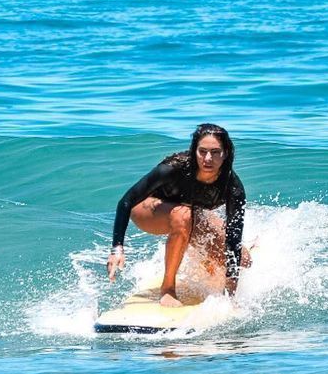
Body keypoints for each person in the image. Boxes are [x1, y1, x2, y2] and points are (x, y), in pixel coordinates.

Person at [107, 123, 250, 306]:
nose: (208, 158)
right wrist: (117, 248)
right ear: (194, 150)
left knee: (244, 260)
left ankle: (208, 266)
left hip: (188, 212)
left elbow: (233, 236)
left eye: (215, 152)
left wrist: (230, 292)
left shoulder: (232, 187)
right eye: (202, 151)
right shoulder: (174, 168)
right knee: (183, 216)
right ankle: (167, 289)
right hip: (148, 209)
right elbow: (126, 201)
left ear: (226, 153)